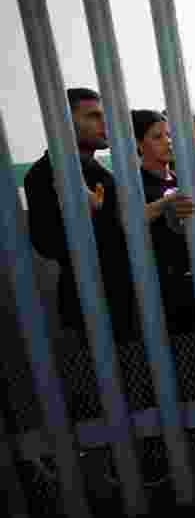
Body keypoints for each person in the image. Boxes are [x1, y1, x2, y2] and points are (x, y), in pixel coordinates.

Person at [25, 88, 142, 340]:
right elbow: (45, 244)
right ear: (64, 122)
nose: (105, 123)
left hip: (122, 295)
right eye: (93, 116)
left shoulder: (97, 170)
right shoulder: (44, 173)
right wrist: (81, 216)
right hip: (92, 299)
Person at [131, 109, 195, 335]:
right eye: (157, 137)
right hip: (158, 287)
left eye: (169, 135)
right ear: (139, 144)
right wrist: (165, 203)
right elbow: (130, 219)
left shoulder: (181, 179)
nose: (168, 142)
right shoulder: (133, 184)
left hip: (192, 280)